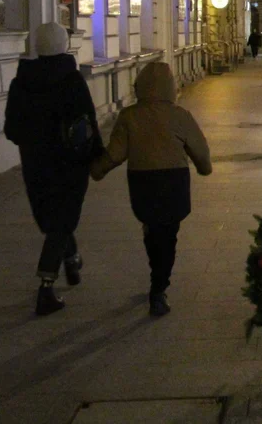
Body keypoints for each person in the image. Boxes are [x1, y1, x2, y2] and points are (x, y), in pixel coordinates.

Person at [91, 62, 212, 316]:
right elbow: (199, 149)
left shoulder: (130, 116)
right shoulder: (180, 115)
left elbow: (115, 153)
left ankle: (157, 278)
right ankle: (159, 286)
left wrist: (98, 169)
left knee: (153, 230)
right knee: (169, 235)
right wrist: (204, 167)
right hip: (174, 182)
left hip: (143, 183)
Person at [4, 23, 101, 316]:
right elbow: (87, 123)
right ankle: (46, 286)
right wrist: (98, 156)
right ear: (63, 45)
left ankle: (71, 261)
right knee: (63, 218)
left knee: (53, 218)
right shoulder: (71, 81)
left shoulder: (21, 83)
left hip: (35, 164)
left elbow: (12, 129)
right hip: (69, 164)